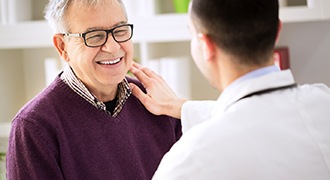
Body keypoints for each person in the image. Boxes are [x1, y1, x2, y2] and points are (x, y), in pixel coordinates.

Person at [129, 0, 330, 179]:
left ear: (205, 45)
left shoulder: (190, 159)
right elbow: (258, 115)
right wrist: (182, 108)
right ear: (277, 31)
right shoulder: (323, 102)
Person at [6, 0, 181, 179]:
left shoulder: (158, 101)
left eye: (120, 31)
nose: (113, 47)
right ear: (63, 46)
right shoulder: (34, 127)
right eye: (95, 36)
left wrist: (179, 109)